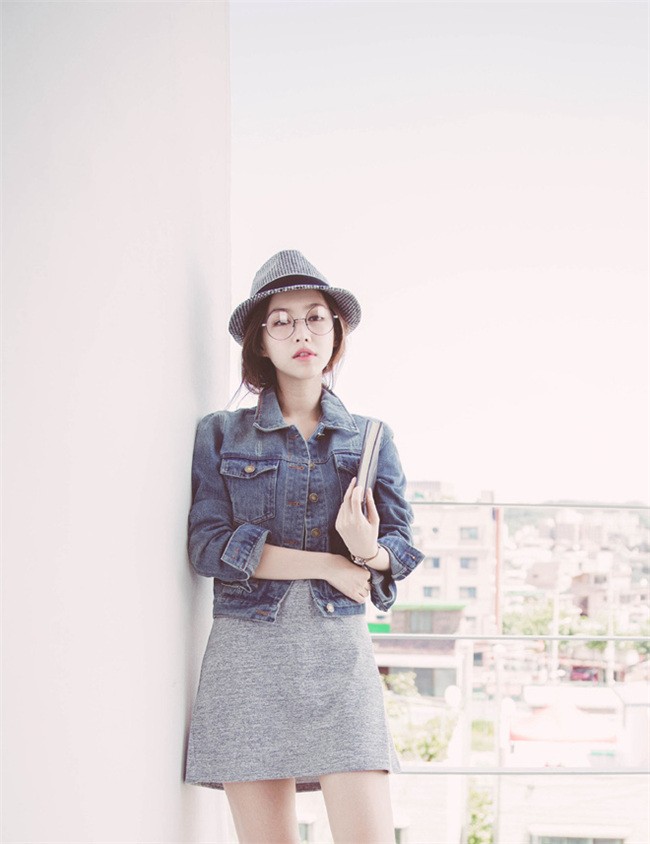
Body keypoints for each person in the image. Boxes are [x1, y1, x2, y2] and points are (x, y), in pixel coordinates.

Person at [185, 250, 423, 843]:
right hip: (247, 658)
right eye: (282, 320)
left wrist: (366, 551)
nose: (302, 332)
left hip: (337, 657)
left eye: (315, 317)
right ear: (261, 342)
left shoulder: (370, 437)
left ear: (335, 332)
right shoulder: (221, 433)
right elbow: (208, 547)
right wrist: (329, 564)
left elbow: (399, 549)